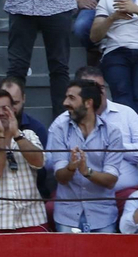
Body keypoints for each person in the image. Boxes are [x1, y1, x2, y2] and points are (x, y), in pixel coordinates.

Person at [45, 79, 126, 233]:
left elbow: (111, 180)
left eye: (72, 98)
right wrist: (71, 168)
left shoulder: (112, 133)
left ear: (88, 103)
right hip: (67, 215)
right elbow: (60, 177)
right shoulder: (59, 130)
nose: (65, 103)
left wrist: (87, 172)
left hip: (102, 215)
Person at [0, 88, 48, 233]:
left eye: (5, 108)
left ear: (13, 110)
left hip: (32, 219)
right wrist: (0, 134)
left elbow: (39, 162)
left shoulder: (29, 135)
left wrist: (16, 134)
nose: (1, 113)